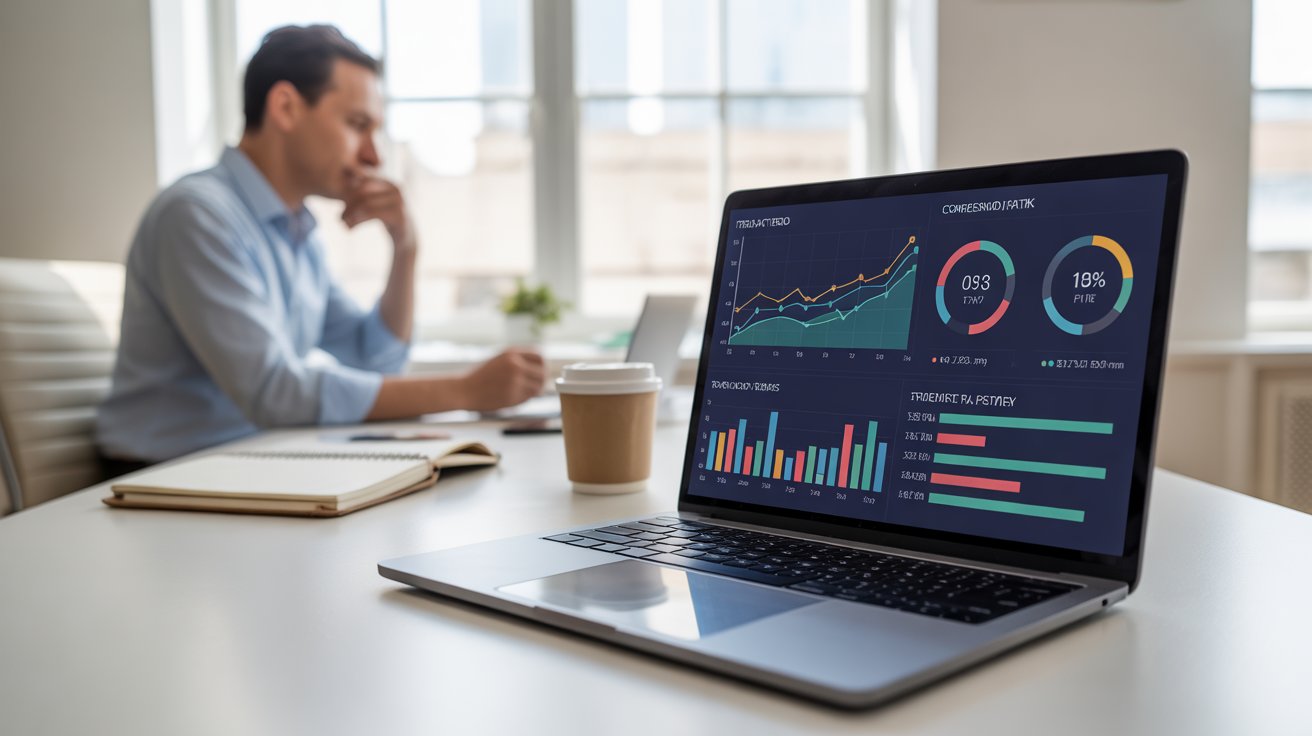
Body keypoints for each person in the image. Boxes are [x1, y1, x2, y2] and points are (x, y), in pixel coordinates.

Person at [96, 24, 544, 467]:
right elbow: (273, 392)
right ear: (286, 108)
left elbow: (375, 358)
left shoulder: (296, 232)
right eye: (357, 125)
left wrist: (405, 247)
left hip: (246, 462)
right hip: (166, 474)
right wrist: (465, 391)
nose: (373, 157)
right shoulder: (196, 215)